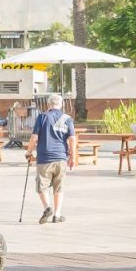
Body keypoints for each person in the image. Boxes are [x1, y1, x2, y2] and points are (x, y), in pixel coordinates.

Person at [31, 92, 77, 224]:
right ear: (61, 104)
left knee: (42, 186)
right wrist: (72, 157)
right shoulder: (67, 118)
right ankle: (57, 215)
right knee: (59, 187)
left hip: (44, 158)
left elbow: (34, 137)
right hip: (61, 158)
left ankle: (47, 207)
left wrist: (29, 152)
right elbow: (73, 139)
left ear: (48, 104)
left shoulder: (42, 117)